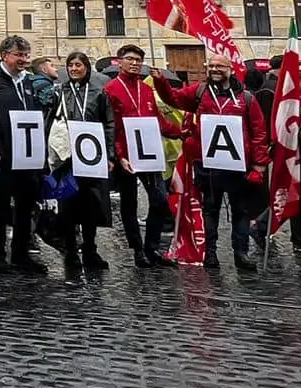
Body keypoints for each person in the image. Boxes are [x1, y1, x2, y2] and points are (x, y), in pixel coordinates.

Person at [154, 53, 269, 271]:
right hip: (207, 164)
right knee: (210, 210)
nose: (215, 69)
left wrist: (259, 165)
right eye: (211, 65)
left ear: (230, 69)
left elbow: (259, 132)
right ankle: (210, 252)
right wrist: (160, 81)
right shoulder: (199, 92)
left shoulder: (246, 98)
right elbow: (173, 99)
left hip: (238, 165)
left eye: (220, 66)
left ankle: (240, 252)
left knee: (241, 211)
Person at [0, 36, 48, 275]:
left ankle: (20, 254)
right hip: (3, 154)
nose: (24, 60)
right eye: (19, 55)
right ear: (5, 55)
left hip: (27, 153)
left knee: (26, 206)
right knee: (0, 206)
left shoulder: (28, 81)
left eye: (26, 55)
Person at [104, 44, 171, 268]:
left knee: (160, 200)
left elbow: (158, 119)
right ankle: (137, 249)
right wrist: (119, 155)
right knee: (129, 203)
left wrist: (182, 131)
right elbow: (111, 126)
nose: (134, 63)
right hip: (126, 154)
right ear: (119, 61)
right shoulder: (111, 89)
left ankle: (152, 247)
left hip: (148, 152)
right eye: (130, 59)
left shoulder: (146, 89)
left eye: (138, 60)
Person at [49, 51, 111, 273]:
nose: (74, 69)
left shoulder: (98, 93)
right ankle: (71, 251)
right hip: (67, 158)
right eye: (70, 65)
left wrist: (110, 155)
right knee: (67, 206)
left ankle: (90, 249)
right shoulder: (60, 92)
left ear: (86, 67)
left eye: (78, 65)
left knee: (90, 206)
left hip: (91, 157)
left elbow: (109, 123)